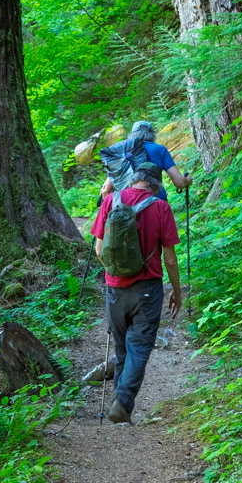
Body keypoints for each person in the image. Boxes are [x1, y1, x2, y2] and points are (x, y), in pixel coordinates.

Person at [92, 162, 183, 424]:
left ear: (133, 180)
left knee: (122, 349)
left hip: (115, 289)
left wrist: (114, 275)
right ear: (156, 185)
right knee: (139, 347)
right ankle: (122, 403)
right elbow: (171, 259)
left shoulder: (110, 200)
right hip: (147, 289)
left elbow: (99, 251)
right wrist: (176, 292)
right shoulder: (161, 207)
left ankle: (117, 407)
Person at [100, 121, 193, 201]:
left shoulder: (124, 152)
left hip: (129, 203)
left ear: (132, 135)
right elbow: (179, 182)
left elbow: (106, 189)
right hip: (156, 201)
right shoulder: (160, 149)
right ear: (152, 134)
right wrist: (187, 180)